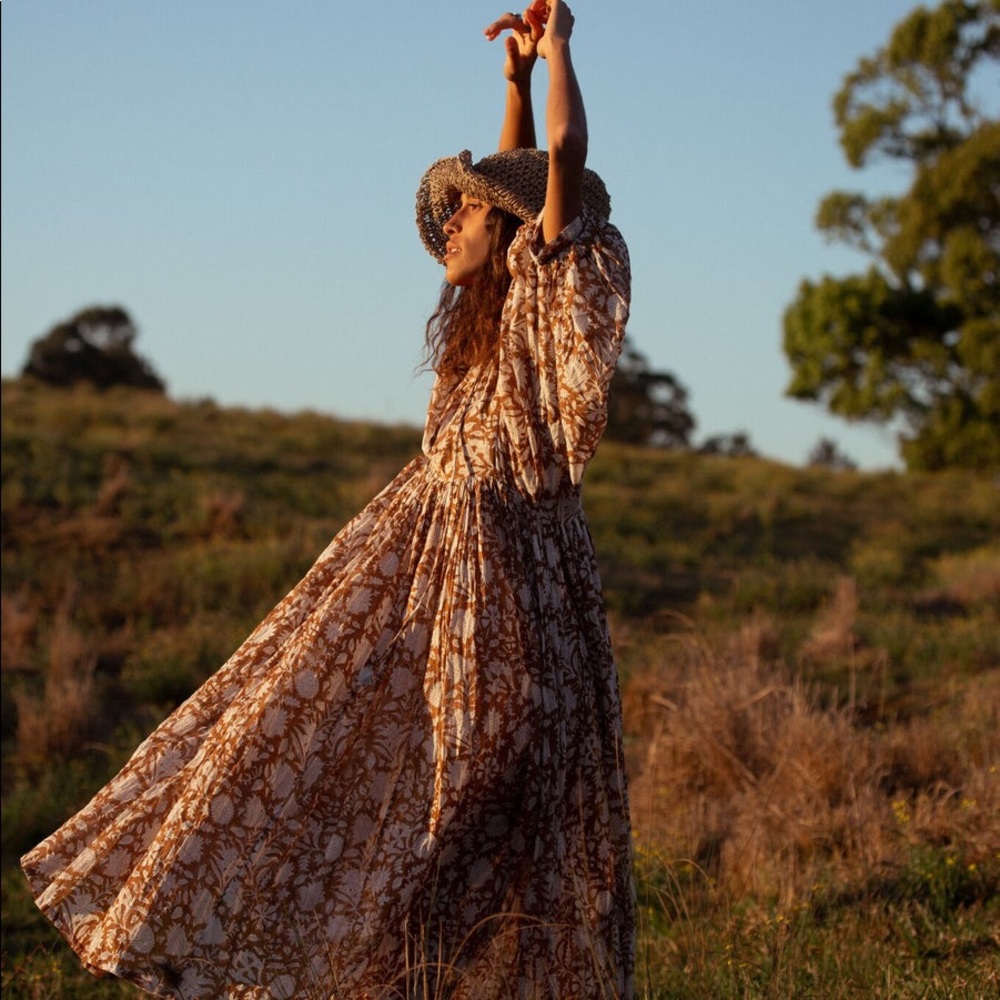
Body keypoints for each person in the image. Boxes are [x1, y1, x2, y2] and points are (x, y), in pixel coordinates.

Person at [20, 2, 634, 996]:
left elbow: (556, 163)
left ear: (512, 231)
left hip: (508, 560)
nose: (450, 224)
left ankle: (422, 964)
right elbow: (520, 172)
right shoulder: (488, 314)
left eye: (466, 212)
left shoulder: (546, 274)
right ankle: (372, 963)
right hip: (443, 545)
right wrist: (512, 85)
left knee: (482, 779)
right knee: (312, 735)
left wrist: (560, 49)